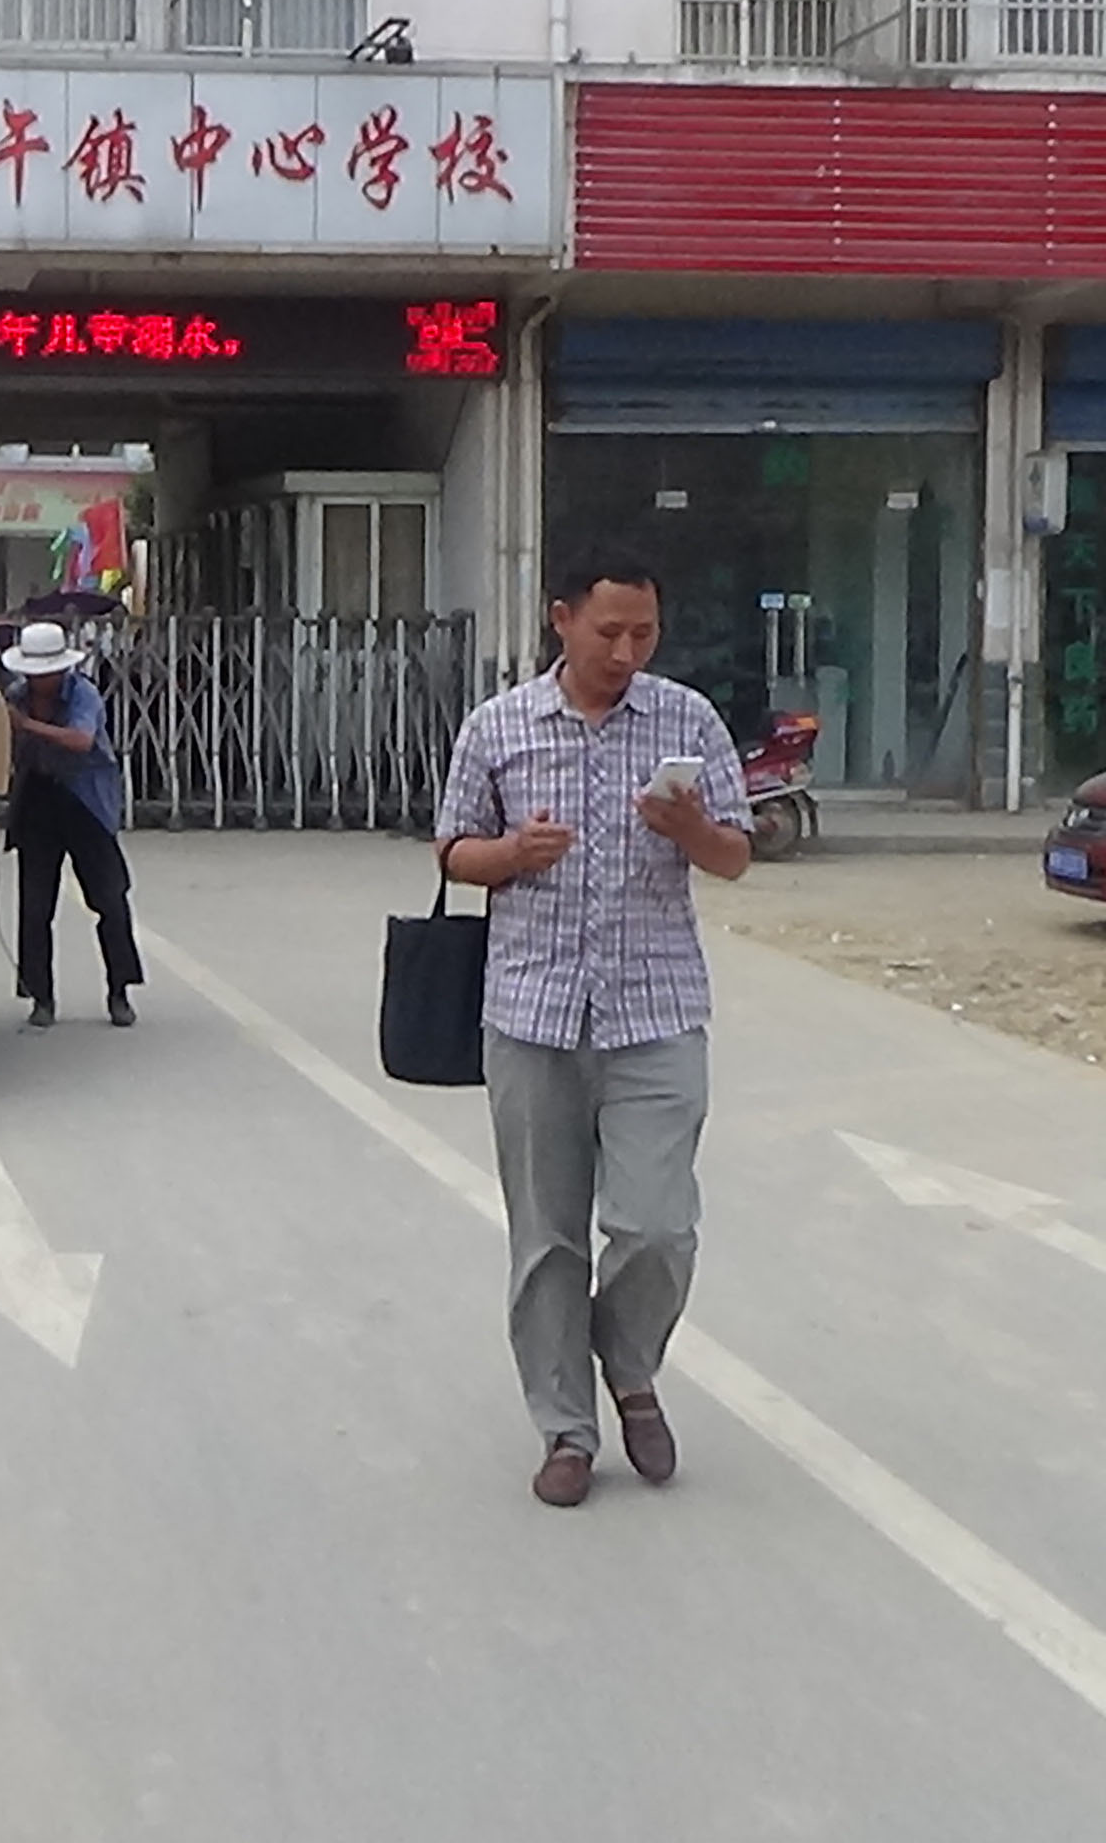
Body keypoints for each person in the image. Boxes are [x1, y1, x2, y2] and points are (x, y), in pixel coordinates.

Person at [432, 544, 754, 1508]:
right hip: (532, 1015)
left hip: (657, 1012)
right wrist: (511, 854)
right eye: (609, 631)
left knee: (658, 1226)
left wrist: (690, 832)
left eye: (644, 634)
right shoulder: (499, 727)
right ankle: (566, 1430)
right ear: (561, 619)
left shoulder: (687, 720)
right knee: (547, 1240)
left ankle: (628, 1362)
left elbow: (735, 855)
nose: (626, 652)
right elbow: (451, 849)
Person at [0, 619, 140, 1030]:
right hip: (38, 798)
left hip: (86, 802)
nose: (37, 681)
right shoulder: (16, 697)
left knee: (110, 900)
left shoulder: (83, 694)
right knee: (35, 906)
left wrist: (28, 726)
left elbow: (81, 739)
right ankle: (40, 996)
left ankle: (119, 991)